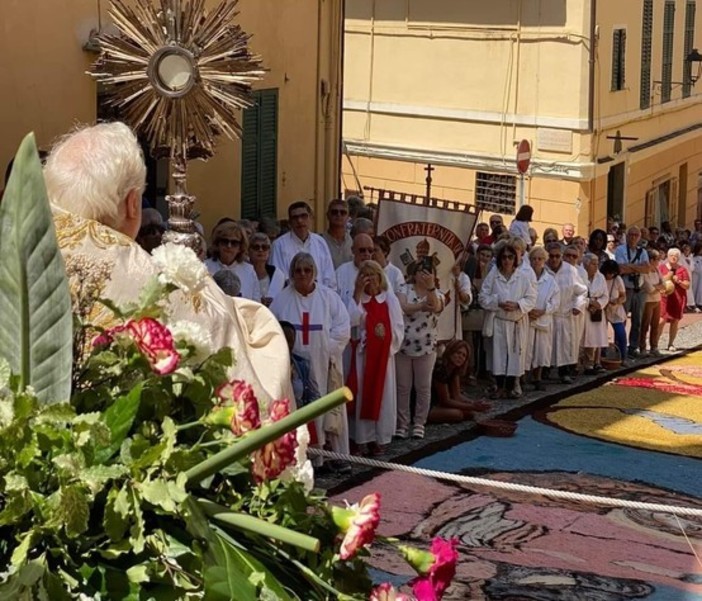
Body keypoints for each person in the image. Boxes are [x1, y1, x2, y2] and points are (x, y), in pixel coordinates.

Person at [44, 122, 290, 403]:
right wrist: (252, 321)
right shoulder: (164, 287)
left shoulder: (15, 260)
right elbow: (249, 392)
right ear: (133, 203)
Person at [269, 253, 351, 454]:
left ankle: (333, 455)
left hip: (325, 363)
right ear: (292, 273)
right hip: (295, 366)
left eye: (307, 270)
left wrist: (326, 350)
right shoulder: (281, 300)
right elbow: (272, 328)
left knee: (327, 406)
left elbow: (343, 327)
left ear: (314, 272)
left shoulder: (329, 297)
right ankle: (306, 456)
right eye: (298, 270)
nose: (303, 274)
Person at [346, 261, 404, 455]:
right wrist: (357, 293)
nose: (370, 281)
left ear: (381, 279)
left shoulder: (389, 299)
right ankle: (358, 438)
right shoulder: (356, 298)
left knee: (382, 396)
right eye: (365, 276)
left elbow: (397, 328)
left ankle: (377, 439)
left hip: (382, 359)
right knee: (360, 395)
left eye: (373, 276)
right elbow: (351, 320)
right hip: (362, 358)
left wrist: (383, 343)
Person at [479, 242, 536, 399]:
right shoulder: (493, 276)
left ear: (515, 259)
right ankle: (499, 386)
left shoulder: (523, 277)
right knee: (498, 355)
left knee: (515, 355)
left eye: (510, 257)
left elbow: (531, 298)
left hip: (516, 322)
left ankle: (511, 387)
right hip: (499, 320)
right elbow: (482, 297)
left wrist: (518, 304)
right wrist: (497, 302)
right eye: (504, 257)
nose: (507, 260)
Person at [395, 261, 445, 439]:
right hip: (403, 346)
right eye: (421, 272)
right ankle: (402, 423)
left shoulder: (437, 293)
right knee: (403, 387)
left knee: (423, 387)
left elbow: (436, 306)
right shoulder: (404, 289)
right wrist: (420, 307)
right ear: (414, 274)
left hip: (426, 346)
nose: (424, 275)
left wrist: (430, 288)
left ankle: (419, 423)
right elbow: (403, 307)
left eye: (428, 272)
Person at [546, 242, 587, 384]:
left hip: (564, 314)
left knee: (564, 345)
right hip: (548, 314)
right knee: (546, 345)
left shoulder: (570, 271)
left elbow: (582, 291)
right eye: (551, 256)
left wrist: (578, 305)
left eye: (557, 256)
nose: (554, 259)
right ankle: (544, 371)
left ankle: (565, 372)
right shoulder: (542, 270)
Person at [270, 201, 336, 290]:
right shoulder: (279, 245)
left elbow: (330, 278)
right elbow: (278, 280)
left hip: (320, 298)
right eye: (295, 217)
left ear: (310, 218)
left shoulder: (320, 242)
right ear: (290, 222)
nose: (300, 221)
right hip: (291, 298)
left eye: (303, 216)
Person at [525, 246, 560, 391]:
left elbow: (556, 300)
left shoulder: (550, 280)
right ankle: (523, 377)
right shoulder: (524, 276)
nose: (537, 261)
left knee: (541, 350)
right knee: (526, 349)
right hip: (527, 318)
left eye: (540, 259)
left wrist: (543, 311)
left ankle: (537, 377)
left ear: (544, 261)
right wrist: (528, 310)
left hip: (543, 318)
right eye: (534, 258)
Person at [429, 340, 490, 423]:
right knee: (457, 414)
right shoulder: (440, 370)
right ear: (450, 352)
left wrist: (474, 403)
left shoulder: (454, 370)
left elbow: (457, 395)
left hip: (438, 404)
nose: (460, 357)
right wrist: (472, 406)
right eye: (458, 353)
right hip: (428, 406)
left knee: (469, 413)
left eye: (464, 355)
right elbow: (445, 401)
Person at [614, 226, 650, 358]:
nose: (633, 237)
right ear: (627, 235)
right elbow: (620, 268)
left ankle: (633, 347)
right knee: (621, 319)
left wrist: (630, 267)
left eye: (636, 235)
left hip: (639, 289)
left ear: (639, 237)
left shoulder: (643, 251)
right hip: (625, 288)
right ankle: (619, 346)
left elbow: (646, 269)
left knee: (637, 320)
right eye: (631, 234)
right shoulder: (620, 249)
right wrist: (637, 268)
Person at [205, 221, 261, 302]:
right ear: (218, 244)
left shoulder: (249, 271)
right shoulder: (205, 268)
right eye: (225, 241)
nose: (229, 246)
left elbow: (256, 303)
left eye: (234, 243)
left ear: (240, 247)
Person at [581, 253, 608, 373]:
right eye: (593, 264)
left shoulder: (600, 277)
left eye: (597, 264)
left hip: (596, 311)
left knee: (595, 337)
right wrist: (589, 303)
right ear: (586, 264)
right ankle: (580, 364)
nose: (596, 266)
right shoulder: (580, 274)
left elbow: (605, 295)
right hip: (583, 310)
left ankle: (593, 363)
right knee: (583, 337)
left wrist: (598, 304)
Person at [659, 247, 690, 352]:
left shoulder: (682, 269)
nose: (674, 258)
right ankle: (655, 343)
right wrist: (669, 276)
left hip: (677, 298)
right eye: (671, 255)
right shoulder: (662, 268)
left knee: (675, 321)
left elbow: (687, 285)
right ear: (667, 257)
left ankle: (671, 343)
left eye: (676, 256)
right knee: (661, 320)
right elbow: (658, 281)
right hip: (664, 298)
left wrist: (679, 281)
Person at [600, 260, 628, 364]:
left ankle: (623, 357)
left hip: (615, 309)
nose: (610, 275)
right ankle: (601, 356)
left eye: (612, 273)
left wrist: (616, 301)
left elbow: (623, 296)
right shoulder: (600, 278)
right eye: (608, 272)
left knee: (621, 333)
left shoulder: (617, 279)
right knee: (601, 334)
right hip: (603, 310)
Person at [638, 250, 665, 358]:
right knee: (644, 325)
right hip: (647, 301)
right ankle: (642, 347)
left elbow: (664, 284)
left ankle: (654, 347)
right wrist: (658, 287)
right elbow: (650, 289)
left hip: (657, 300)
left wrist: (657, 287)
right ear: (652, 260)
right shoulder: (645, 271)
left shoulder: (657, 270)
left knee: (655, 325)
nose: (659, 261)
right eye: (657, 259)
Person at [249, 232, 285, 307]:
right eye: (256, 247)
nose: (260, 250)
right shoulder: (244, 272)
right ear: (249, 251)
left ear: (269, 251)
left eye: (264, 247)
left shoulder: (278, 275)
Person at [321, 199, 353, 269]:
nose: (339, 215)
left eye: (343, 212)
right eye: (334, 212)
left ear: (348, 217)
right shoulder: (319, 241)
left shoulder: (354, 241)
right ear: (328, 215)